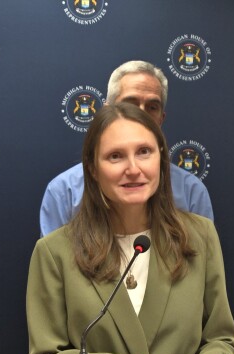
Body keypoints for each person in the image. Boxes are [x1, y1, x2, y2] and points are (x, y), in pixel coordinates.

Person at [24, 103, 234, 354]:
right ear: (93, 169)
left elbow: (219, 336)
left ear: (161, 159)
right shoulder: (54, 252)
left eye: (144, 152)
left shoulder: (200, 236)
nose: (133, 169)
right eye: (115, 156)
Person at [39, 60, 214, 236]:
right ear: (107, 111)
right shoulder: (64, 192)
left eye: (152, 107)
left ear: (161, 118)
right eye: (130, 104)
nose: (141, 114)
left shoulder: (191, 191)